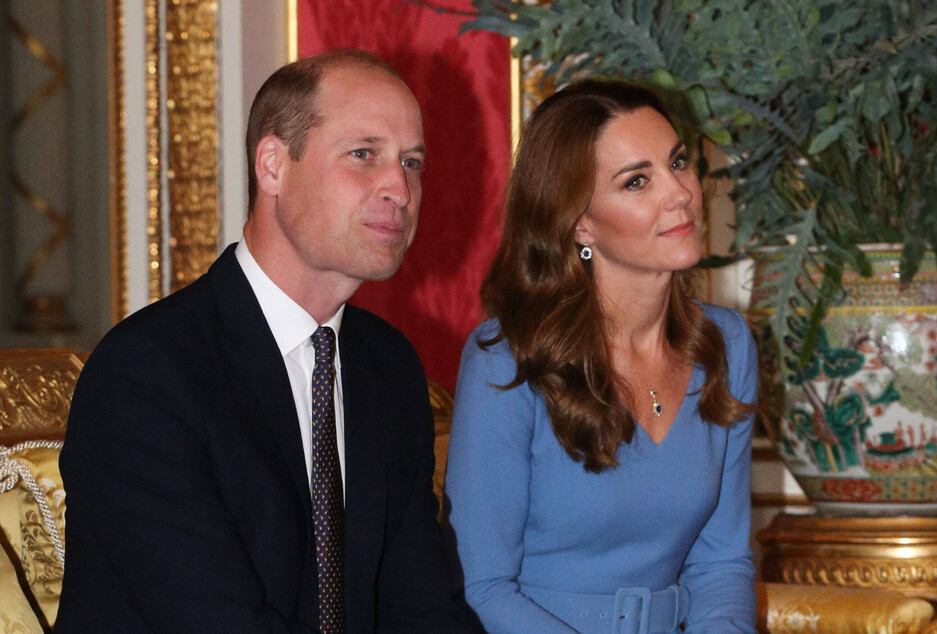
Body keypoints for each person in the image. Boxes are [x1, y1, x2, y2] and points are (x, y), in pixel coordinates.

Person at [57, 49, 453, 632]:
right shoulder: (147, 373)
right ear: (273, 165)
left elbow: (423, 607)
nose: (400, 187)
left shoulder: (386, 365)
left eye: (412, 162)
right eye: (364, 154)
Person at [444, 79, 758, 633]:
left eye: (678, 162)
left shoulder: (726, 345)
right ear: (580, 222)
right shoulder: (507, 361)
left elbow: (721, 563)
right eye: (637, 181)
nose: (680, 192)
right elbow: (483, 587)